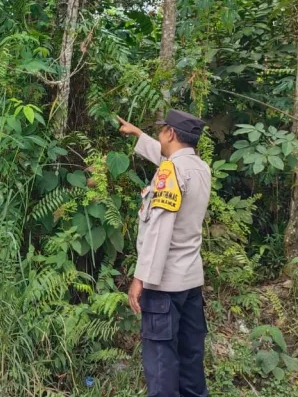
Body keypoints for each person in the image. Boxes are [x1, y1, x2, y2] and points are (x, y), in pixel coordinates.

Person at [116, 109, 212, 397]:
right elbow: (169, 162)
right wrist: (139, 135)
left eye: (161, 130)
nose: (159, 135)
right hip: (190, 283)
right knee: (190, 361)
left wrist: (141, 278)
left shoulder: (171, 172)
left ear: (170, 133)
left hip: (164, 287)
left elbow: (159, 230)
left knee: (161, 366)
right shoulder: (200, 168)